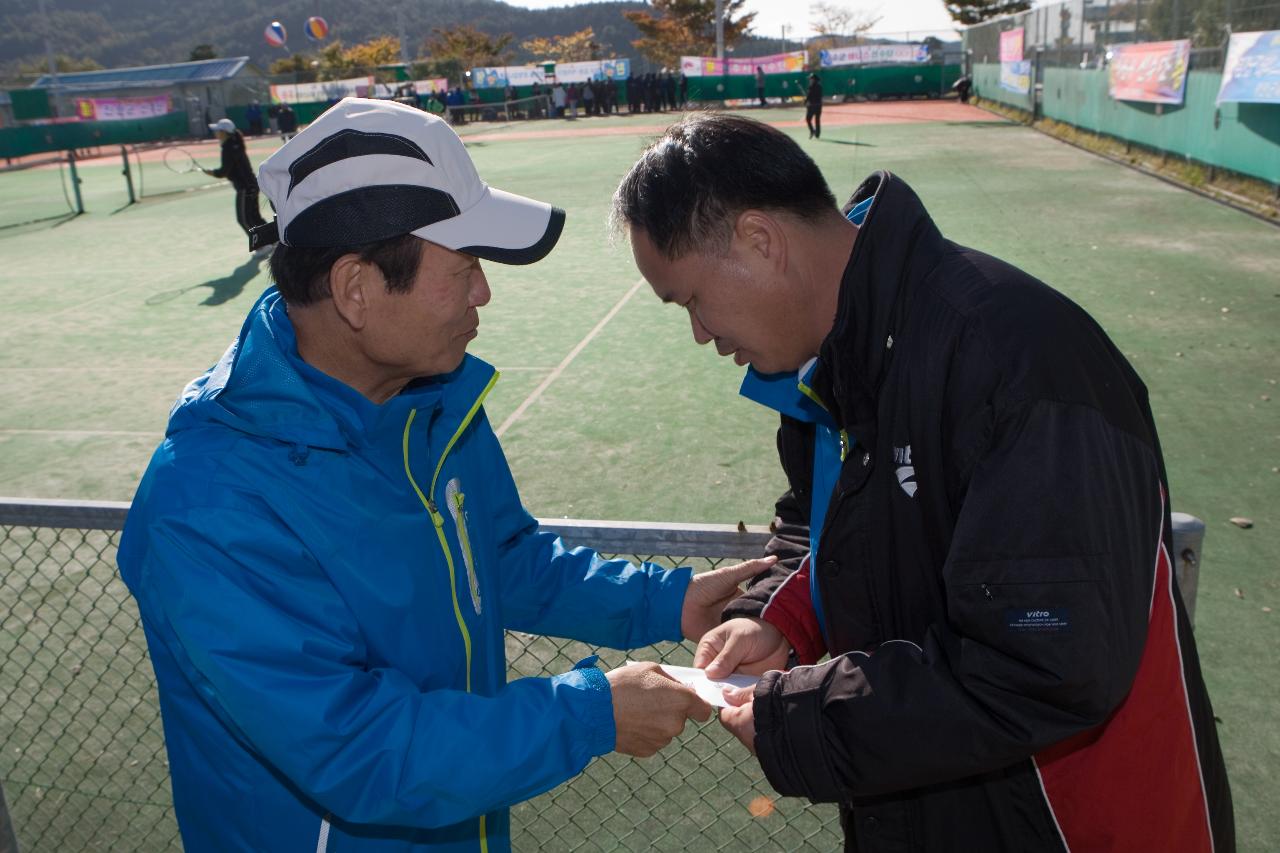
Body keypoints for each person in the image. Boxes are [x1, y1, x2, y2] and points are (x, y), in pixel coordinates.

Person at [119, 98, 772, 853]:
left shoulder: (429, 399)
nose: (483, 293)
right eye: (462, 268)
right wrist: (590, 711)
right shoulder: (206, 504)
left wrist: (671, 601)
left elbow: (498, 559)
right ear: (355, 288)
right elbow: (357, 748)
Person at [611, 112, 1234, 852]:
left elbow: (1045, 664)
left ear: (759, 240)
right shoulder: (829, 368)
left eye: (690, 301)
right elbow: (824, 528)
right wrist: (777, 618)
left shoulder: (1018, 360)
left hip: (1074, 824)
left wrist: (806, 717)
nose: (701, 334)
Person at [203, 117, 268, 254]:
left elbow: (223, 171)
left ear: (223, 132)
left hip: (245, 187)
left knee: (243, 219)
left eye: (218, 131)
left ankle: (261, 246)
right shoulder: (235, 144)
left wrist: (211, 172)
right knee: (254, 217)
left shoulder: (228, 148)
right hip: (252, 185)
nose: (215, 133)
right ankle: (273, 242)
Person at [804, 72, 823, 139]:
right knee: (817, 119)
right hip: (819, 105)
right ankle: (817, 133)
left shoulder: (811, 86)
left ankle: (812, 131)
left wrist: (805, 101)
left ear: (814, 79)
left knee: (808, 119)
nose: (810, 80)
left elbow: (809, 95)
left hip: (812, 106)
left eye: (811, 79)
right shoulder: (820, 86)